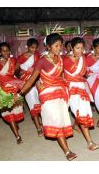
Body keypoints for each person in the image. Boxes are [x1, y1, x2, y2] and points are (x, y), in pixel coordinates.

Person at [19, 33, 77, 161]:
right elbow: (31, 80)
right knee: (56, 120)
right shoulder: (42, 60)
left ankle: (65, 147)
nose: (59, 48)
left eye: (60, 46)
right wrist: (19, 94)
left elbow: (62, 75)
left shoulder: (60, 58)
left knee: (61, 120)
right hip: (47, 94)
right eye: (56, 46)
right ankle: (67, 151)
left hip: (61, 92)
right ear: (48, 46)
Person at [63, 37, 99, 150]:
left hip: (82, 88)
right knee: (80, 113)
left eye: (82, 48)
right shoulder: (65, 60)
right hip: (71, 90)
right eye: (77, 48)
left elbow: (83, 73)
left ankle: (84, 134)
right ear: (71, 47)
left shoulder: (83, 58)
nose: (80, 50)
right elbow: (60, 75)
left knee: (83, 112)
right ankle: (90, 143)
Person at [0, 42, 24, 144]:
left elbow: (15, 72)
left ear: (9, 51)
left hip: (14, 89)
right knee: (8, 113)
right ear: (0, 52)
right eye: (3, 51)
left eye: (7, 50)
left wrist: (17, 82)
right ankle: (17, 136)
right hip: (2, 91)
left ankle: (15, 124)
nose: (5, 52)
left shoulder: (13, 60)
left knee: (15, 110)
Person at [16, 38, 43, 136]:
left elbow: (40, 67)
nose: (34, 50)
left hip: (37, 81)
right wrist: (19, 79)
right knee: (33, 105)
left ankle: (44, 123)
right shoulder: (22, 57)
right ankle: (38, 128)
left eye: (36, 48)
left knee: (41, 103)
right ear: (27, 46)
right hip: (26, 83)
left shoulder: (37, 54)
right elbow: (15, 69)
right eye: (32, 48)